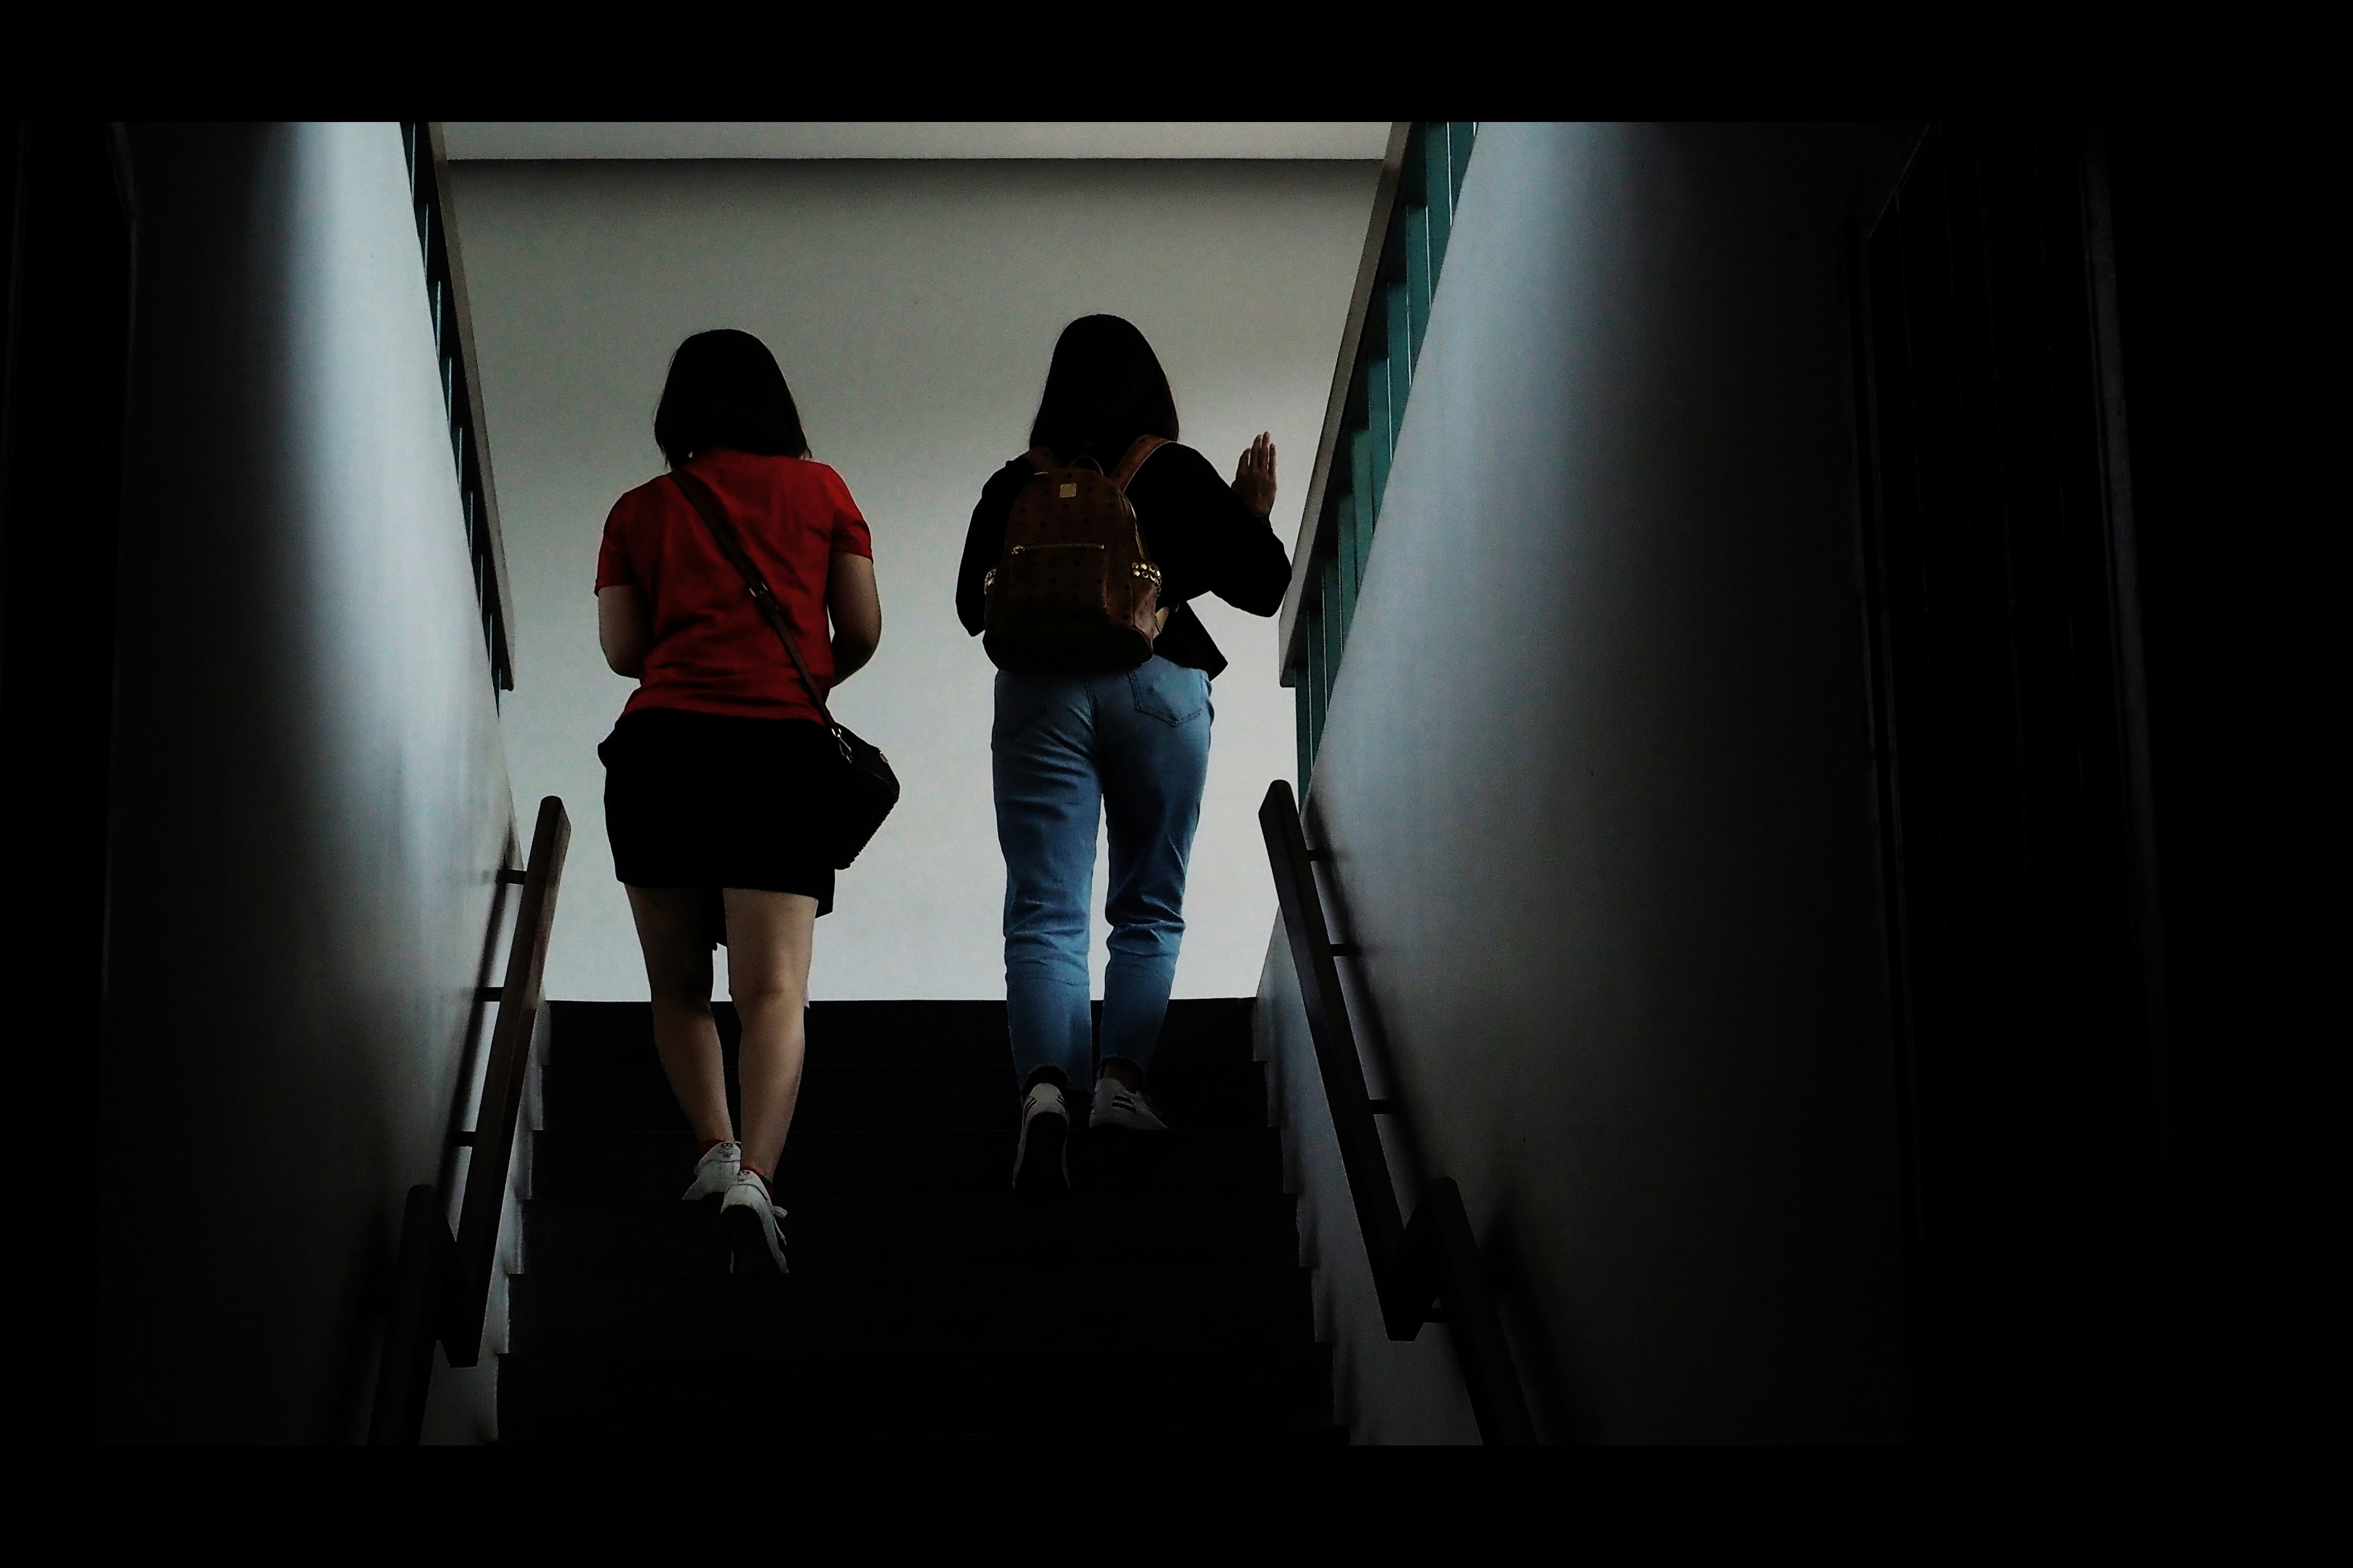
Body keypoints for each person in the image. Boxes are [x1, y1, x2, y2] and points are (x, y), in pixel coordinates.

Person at [956, 314, 1290, 1195]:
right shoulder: (1170, 470)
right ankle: (1118, 1086)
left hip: (1037, 697)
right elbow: (1263, 590)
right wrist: (1249, 514)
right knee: (1146, 903)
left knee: (1041, 908)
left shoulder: (1014, 484)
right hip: (1158, 684)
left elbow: (967, 605)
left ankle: (1042, 1094)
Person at [595, 329, 882, 1274]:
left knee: (677, 986)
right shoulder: (822, 492)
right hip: (778, 754)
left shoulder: (638, 510)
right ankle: (760, 1176)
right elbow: (863, 626)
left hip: (662, 753)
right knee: (773, 991)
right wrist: (795, 677)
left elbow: (623, 650)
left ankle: (715, 1150)